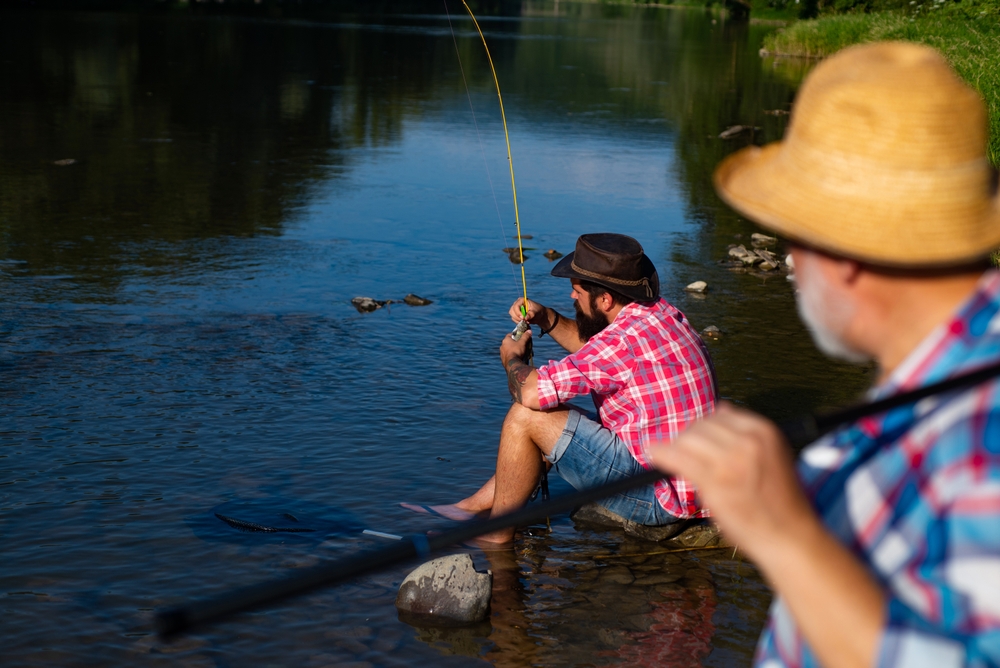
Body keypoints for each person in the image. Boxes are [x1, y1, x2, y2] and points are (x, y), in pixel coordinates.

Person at [649, 42, 1000, 667]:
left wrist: (785, 535)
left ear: (843, 250)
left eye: (795, 233)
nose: (790, 263)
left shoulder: (982, 430)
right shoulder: (947, 370)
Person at [405, 232, 717, 543]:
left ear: (605, 300)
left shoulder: (619, 341)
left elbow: (531, 392)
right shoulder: (660, 313)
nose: (572, 297)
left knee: (527, 415)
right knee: (551, 415)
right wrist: (546, 318)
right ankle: (472, 507)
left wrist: (511, 359)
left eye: (576, 291)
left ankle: (495, 536)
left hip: (663, 499)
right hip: (692, 485)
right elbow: (595, 350)